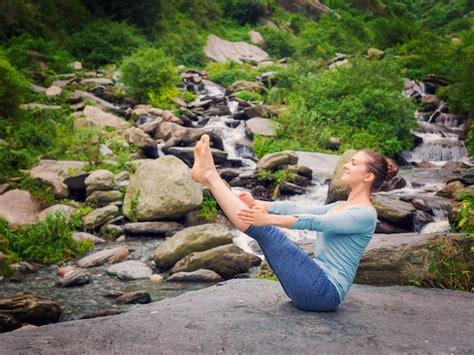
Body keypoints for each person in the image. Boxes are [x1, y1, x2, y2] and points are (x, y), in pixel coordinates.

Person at [191, 134, 399, 312]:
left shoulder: (365, 214)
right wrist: (259, 204)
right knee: (264, 230)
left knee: (266, 231)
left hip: (325, 292)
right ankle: (209, 177)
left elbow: (318, 223)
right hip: (312, 285)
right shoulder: (340, 205)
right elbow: (299, 210)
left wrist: (269, 219)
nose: (346, 164)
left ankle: (210, 176)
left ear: (368, 176)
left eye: (354, 163)